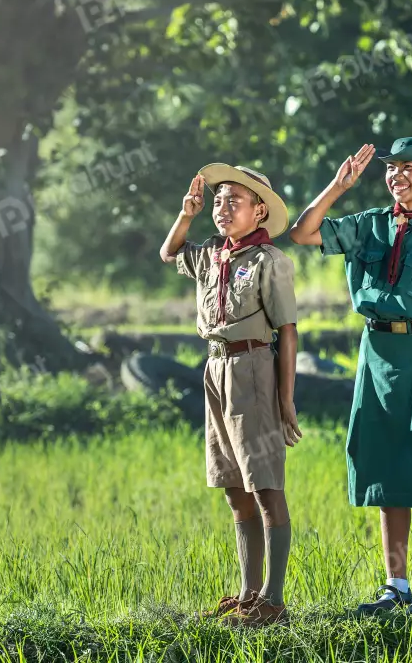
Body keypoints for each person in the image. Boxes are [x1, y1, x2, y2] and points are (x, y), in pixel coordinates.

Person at [288, 137, 412, 615]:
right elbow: (302, 233)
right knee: (386, 469)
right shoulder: (369, 225)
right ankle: (395, 584)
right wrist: (338, 186)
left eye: (407, 168)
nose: (396, 175)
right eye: (392, 168)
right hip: (375, 354)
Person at [159, 163, 302, 627]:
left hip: (254, 368)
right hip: (215, 369)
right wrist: (188, 213)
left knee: (264, 485)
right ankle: (247, 593)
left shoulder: (269, 261)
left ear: (259, 211)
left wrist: (285, 401)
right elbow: (169, 251)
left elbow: (287, 333)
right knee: (232, 486)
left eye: (233, 201)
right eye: (218, 201)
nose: (222, 209)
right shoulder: (211, 255)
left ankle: (273, 600)